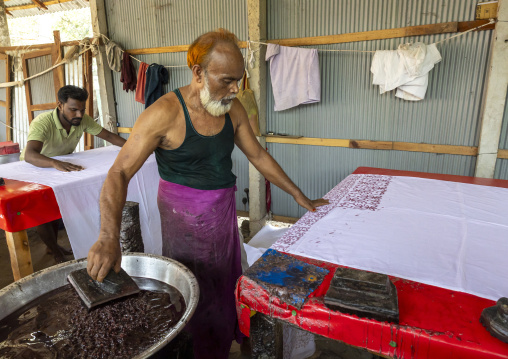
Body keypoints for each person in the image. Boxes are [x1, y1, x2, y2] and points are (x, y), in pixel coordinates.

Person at [86, 29, 329, 358]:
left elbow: (257, 155)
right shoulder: (163, 114)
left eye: (239, 80)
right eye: (227, 80)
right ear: (198, 72)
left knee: (228, 281)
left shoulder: (232, 108)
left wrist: (299, 196)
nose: (235, 89)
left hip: (222, 216)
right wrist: (106, 235)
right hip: (182, 219)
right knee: (194, 290)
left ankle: (229, 335)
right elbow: (119, 172)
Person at [21, 85, 126, 263]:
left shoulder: (82, 120)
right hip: (35, 169)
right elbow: (30, 155)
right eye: (73, 109)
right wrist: (54, 162)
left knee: (55, 210)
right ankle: (56, 252)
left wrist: (136, 148)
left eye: (82, 109)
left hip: (60, 169)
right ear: (60, 105)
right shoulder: (42, 122)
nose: (78, 114)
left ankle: (51, 247)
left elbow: (109, 136)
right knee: (43, 214)